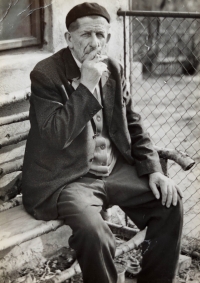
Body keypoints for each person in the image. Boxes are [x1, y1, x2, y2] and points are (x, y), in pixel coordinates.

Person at [22, 2, 183, 283]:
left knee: (170, 204)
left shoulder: (114, 68)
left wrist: (154, 169)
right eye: (86, 35)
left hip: (114, 170)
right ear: (69, 38)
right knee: (95, 233)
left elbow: (133, 122)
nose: (95, 43)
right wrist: (85, 85)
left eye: (101, 35)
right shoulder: (45, 74)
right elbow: (56, 136)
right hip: (69, 179)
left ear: (108, 38)